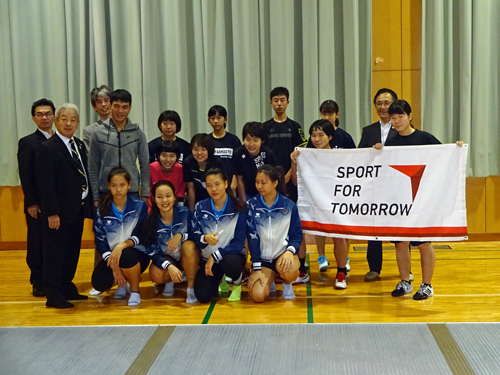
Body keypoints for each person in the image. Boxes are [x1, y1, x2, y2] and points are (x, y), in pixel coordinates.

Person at [373, 99, 464, 300]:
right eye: (393, 118)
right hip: (400, 202)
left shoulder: (425, 138)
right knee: (400, 242)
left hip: (422, 201)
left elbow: (445, 157)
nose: (397, 121)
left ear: (410, 116)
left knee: (423, 243)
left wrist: (456, 148)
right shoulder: (392, 142)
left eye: (401, 116)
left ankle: (427, 284)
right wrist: (379, 151)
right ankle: (405, 281)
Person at [35, 103, 93, 308]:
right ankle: (52, 292)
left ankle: (66, 285)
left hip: (76, 211)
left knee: (71, 250)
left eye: (73, 120)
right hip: (57, 213)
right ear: (56, 121)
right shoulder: (47, 148)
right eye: (64, 119)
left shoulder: (78, 144)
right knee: (54, 252)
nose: (69, 123)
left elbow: (83, 175)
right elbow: (46, 184)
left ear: (77, 123)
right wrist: (52, 212)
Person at [291, 120, 350, 289]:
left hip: (334, 202)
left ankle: (341, 272)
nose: (316, 139)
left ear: (330, 137)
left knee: (338, 236)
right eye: (313, 135)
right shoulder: (305, 155)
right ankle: (302, 271)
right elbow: (296, 182)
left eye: (321, 135)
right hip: (310, 202)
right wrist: (294, 164)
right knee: (300, 233)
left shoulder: (340, 157)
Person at [263, 87, 308, 282]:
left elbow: (303, 153)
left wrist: (289, 175)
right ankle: (272, 264)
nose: (279, 103)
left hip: (292, 183)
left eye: (282, 100)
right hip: (271, 185)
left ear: (288, 102)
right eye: (275, 100)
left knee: (295, 225)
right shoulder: (265, 128)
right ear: (271, 103)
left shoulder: (295, 126)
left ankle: (301, 265)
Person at [91, 168, 150, 306]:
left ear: (129, 185)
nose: (118, 189)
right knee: (99, 282)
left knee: (126, 255)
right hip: (113, 257)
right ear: (108, 186)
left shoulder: (139, 206)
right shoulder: (101, 210)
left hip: (137, 254)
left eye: (122, 185)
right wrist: (114, 268)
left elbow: (141, 235)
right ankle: (122, 284)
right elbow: (100, 241)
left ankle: (135, 291)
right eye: (114, 185)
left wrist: (121, 245)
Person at [358, 88, 400, 282]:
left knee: (400, 227)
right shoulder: (368, 130)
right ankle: (374, 267)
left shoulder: (403, 127)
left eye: (387, 103)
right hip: (374, 185)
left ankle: (404, 268)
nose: (383, 107)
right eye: (379, 103)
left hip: (397, 184)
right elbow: (358, 155)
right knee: (373, 227)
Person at [247, 165, 302, 302]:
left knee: (289, 271)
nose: (259, 186)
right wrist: (257, 267)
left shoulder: (289, 206)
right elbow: (252, 238)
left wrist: (290, 251)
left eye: (263, 182)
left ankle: (287, 284)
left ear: (275, 183)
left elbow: (297, 235)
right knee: (258, 296)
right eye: (256, 182)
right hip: (264, 259)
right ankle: (269, 280)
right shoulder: (251, 206)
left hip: (283, 256)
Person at [18, 98, 55, 297]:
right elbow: (26, 174)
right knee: (37, 242)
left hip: (56, 203)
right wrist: (31, 202)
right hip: (37, 205)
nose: (44, 118)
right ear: (33, 118)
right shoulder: (28, 142)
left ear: (54, 116)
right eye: (40, 114)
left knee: (53, 242)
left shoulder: (60, 140)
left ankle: (53, 278)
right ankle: (38, 280)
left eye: (48, 114)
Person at [191, 168, 247, 303]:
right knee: (202, 295)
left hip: (232, 256)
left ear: (226, 184)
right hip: (208, 260)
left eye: (217, 184)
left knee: (231, 264)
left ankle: (237, 283)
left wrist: (215, 255)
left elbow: (239, 242)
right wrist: (204, 238)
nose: (213, 189)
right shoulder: (200, 207)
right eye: (209, 185)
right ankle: (220, 279)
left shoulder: (239, 208)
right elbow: (194, 233)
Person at [88, 89, 150, 208]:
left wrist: (145, 194)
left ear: (130, 108)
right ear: (110, 106)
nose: (120, 111)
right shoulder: (97, 133)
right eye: (116, 106)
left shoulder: (138, 134)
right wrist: (95, 196)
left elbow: (145, 165)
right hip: (105, 191)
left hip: (132, 192)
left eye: (125, 107)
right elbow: (92, 167)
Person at [142, 180, 200, 303]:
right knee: (156, 275)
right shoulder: (150, 221)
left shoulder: (184, 213)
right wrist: (169, 266)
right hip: (168, 259)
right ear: (154, 199)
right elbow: (153, 252)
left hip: (187, 257)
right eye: (159, 197)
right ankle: (170, 281)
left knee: (189, 246)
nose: (164, 200)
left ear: (174, 197)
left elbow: (196, 236)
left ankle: (191, 288)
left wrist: (181, 235)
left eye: (168, 196)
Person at [233, 122, 277, 203]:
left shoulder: (268, 154)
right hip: (247, 192)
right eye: (247, 140)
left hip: (265, 192)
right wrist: (244, 202)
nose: (251, 144)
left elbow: (272, 179)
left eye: (255, 140)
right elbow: (240, 179)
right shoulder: (238, 153)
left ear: (262, 140)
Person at [183, 133, 224, 211]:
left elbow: (219, 187)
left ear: (209, 150)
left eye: (203, 149)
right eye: (195, 149)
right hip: (197, 198)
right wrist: (192, 212)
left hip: (213, 197)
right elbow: (191, 189)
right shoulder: (188, 163)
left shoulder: (216, 162)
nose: (199, 153)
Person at [207, 105, 241, 193]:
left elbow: (239, 163)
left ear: (225, 119)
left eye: (219, 118)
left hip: (231, 183)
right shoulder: (206, 140)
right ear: (208, 120)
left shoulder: (234, 140)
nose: (215, 121)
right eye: (212, 118)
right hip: (213, 185)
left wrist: (234, 181)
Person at [149, 140, 186, 206]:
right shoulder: (151, 168)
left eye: (172, 156)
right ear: (158, 156)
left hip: (173, 205)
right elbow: (149, 193)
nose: (168, 159)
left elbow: (179, 195)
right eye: (164, 155)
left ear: (177, 157)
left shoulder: (181, 169)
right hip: (153, 205)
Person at [83, 85, 111, 150]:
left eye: (106, 101)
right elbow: (91, 156)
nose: (103, 104)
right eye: (99, 102)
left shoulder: (122, 126)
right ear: (94, 107)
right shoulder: (89, 131)